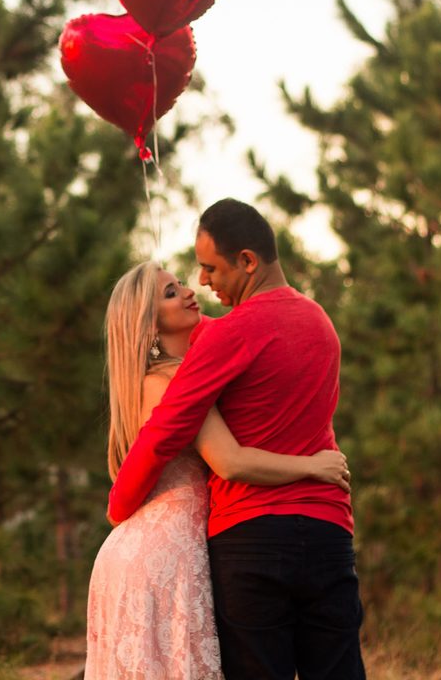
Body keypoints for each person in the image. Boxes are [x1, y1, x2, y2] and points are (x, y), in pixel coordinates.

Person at [107, 198, 366, 680]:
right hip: (329, 528)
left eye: (209, 269)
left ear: (247, 261)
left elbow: (165, 432)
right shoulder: (321, 324)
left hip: (251, 536)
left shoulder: (226, 337)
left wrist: (119, 506)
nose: (201, 282)